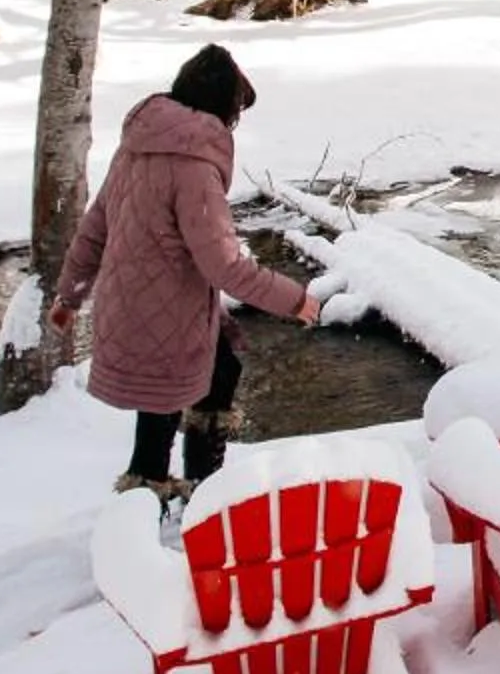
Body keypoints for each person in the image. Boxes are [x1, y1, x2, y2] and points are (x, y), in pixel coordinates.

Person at [52, 44, 321, 504]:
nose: (235, 121)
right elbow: (224, 264)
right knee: (162, 413)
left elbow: (94, 228)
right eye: (236, 110)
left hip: (132, 305)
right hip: (166, 316)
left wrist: (69, 296)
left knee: (213, 372)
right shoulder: (193, 164)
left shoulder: (138, 146)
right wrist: (295, 300)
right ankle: (176, 505)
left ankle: (198, 491)